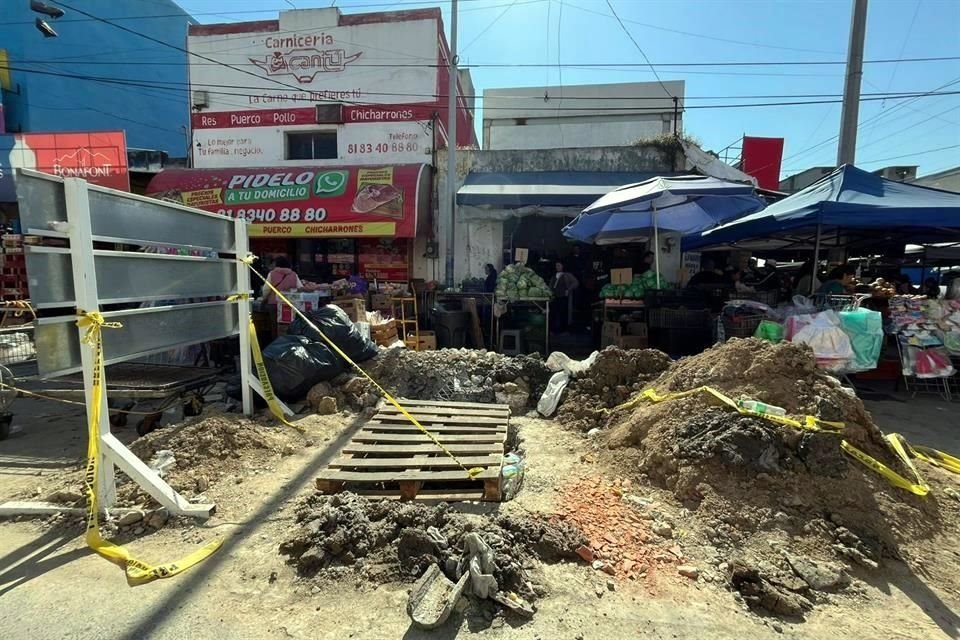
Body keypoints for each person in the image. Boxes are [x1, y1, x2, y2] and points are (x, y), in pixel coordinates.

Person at [550, 261, 579, 331]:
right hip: (555, 297)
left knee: (563, 313)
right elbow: (550, 286)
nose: (557, 267)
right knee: (554, 313)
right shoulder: (554, 276)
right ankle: (554, 328)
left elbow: (576, 282)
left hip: (563, 297)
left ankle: (563, 329)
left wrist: (568, 289)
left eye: (559, 265)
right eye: (556, 265)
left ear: (563, 266)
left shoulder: (567, 275)